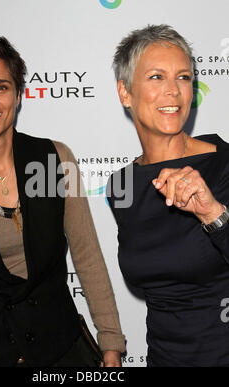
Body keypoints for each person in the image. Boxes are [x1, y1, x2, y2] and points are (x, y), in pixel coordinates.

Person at [0, 35, 125, 367]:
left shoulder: (55, 160)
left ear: (18, 95)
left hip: (61, 349)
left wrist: (110, 342)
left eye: (1, 87)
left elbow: (88, 256)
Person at [108, 24, 229, 367]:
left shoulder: (222, 163)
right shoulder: (121, 185)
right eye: (157, 77)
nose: (174, 91)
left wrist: (212, 214)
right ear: (125, 92)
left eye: (184, 77)